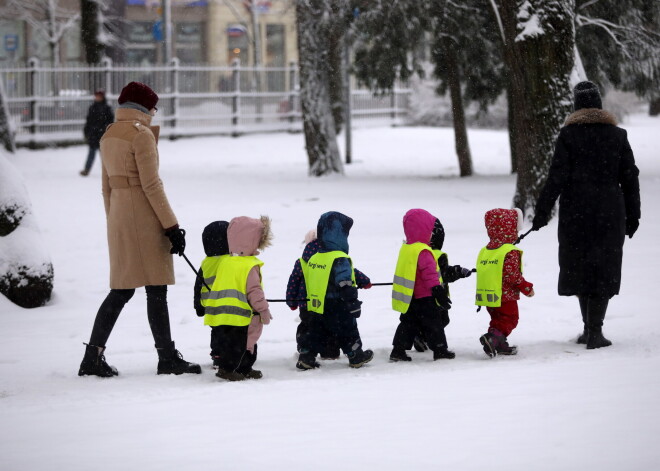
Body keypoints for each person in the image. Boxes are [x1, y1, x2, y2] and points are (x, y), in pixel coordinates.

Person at [78, 81, 200, 377]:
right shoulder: (140, 135)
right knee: (155, 290)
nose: (155, 112)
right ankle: (167, 357)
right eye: (153, 106)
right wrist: (172, 226)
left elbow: (106, 188)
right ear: (144, 107)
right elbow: (151, 185)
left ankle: (93, 356)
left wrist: (114, 221)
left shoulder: (109, 134)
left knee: (121, 289)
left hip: (120, 216)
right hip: (143, 218)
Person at [532, 81, 641, 350]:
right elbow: (630, 178)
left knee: (579, 266)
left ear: (576, 105)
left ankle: (588, 329)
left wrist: (542, 212)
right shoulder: (618, 135)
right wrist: (633, 214)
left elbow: (555, 177)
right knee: (603, 267)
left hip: (576, 212)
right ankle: (595, 331)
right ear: (599, 104)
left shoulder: (569, 136)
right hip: (609, 211)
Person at [199, 216, 273, 382]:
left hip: (221, 312)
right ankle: (228, 369)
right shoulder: (249, 265)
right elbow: (255, 291)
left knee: (231, 343)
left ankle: (242, 368)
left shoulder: (226, 261)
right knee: (243, 343)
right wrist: (263, 310)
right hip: (241, 314)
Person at [297, 211, 374, 370]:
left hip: (318, 305)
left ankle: (307, 356)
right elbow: (344, 281)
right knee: (348, 329)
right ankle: (355, 355)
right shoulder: (339, 257)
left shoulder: (316, 257)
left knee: (316, 331)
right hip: (338, 304)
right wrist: (352, 301)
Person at [390, 209, 455, 362]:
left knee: (407, 324)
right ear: (424, 229)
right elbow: (429, 273)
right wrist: (437, 290)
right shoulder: (423, 250)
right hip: (425, 296)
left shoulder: (406, 249)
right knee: (434, 324)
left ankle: (398, 350)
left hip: (410, 296)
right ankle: (440, 349)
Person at [476, 208, 534, 358]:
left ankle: (498, 343)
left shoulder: (486, 250)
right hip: (505, 295)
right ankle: (493, 338)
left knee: (497, 320)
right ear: (511, 228)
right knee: (510, 319)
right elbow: (512, 275)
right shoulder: (509, 250)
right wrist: (526, 287)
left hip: (489, 295)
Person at [411, 217, 473, 354]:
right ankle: (424, 338)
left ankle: (420, 336)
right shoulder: (437, 255)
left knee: (421, 319)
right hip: (436, 295)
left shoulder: (416, 251)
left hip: (418, 295)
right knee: (441, 320)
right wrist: (458, 272)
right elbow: (444, 273)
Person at [192, 220, 230, 366]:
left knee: (216, 330)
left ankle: (217, 354)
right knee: (229, 331)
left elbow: (198, 285)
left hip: (210, 305)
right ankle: (230, 354)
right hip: (228, 303)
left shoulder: (205, 263)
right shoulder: (230, 261)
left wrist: (198, 305)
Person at [80, 89, 114, 176]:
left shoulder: (107, 108)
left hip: (103, 135)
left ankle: (109, 171)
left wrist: (106, 130)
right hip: (93, 134)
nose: (97, 98)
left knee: (105, 155)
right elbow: (89, 121)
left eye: (99, 96)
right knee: (91, 153)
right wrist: (86, 131)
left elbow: (110, 122)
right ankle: (87, 170)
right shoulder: (92, 108)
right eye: (96, 96)